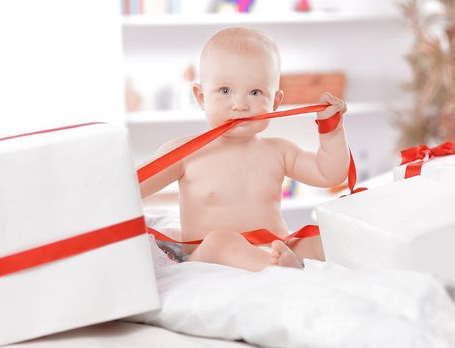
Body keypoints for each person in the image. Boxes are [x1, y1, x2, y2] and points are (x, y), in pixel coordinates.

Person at [140, 27, 349, 271]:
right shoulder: (184, 153)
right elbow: (132, 187)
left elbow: (329, 174)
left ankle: (280, 260)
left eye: (255, 92)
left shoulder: (279, 151)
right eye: (225, 91)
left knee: (320, 241)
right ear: (200, 97)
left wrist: (331, 129)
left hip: (276, 244)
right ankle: (276, 267)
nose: (240, 104)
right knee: (221, 240)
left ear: (275, 102)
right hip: (207, 252)